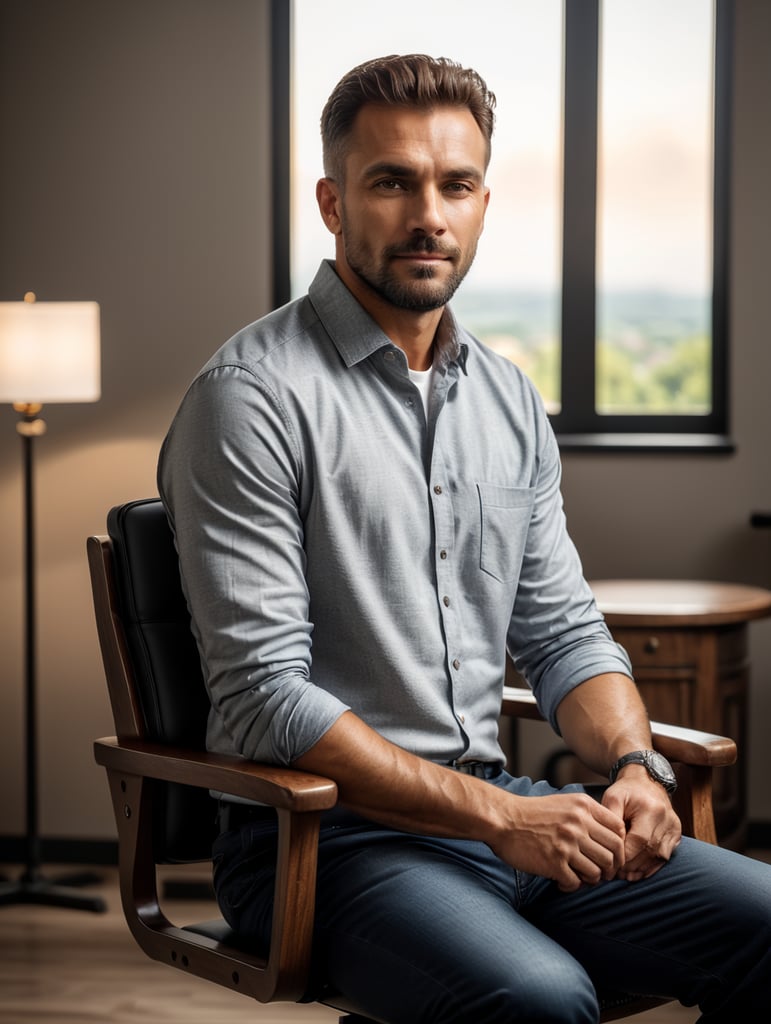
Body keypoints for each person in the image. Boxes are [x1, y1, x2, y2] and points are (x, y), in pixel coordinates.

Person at [158, 54, 771, 1023]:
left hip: (500, 813)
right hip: (323, 842)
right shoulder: (250, 401)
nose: (427, 215)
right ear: (330, 200)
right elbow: (269, 697)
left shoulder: (508, 401)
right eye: (391, 181)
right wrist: (507, 818)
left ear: (485, 201)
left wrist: (632, 766)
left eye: (455, 184)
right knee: (541, 1000)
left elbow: (566, 633)